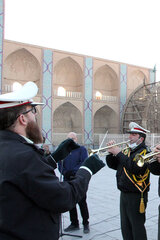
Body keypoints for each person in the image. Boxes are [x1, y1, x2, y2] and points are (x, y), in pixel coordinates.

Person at [0, 82, 105, 239]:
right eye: (32, 111)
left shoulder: (9, 148)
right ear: (22, 119)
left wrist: (54, 158)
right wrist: (87, 170)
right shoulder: (25, 155)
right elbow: (64, 198)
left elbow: (22, 176)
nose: (35, 115)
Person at [106, 122, 151, 240]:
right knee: (125, 226)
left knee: (137, 226)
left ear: (141, 138)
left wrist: (119, 153)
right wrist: (110, 153)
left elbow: (136, 168)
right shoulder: (128, 150)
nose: (129, 137)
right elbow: (114, 165)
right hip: (124, 193)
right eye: (130, 134)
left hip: (136, 195)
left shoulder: (145, 152)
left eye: (133, 135)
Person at [58, 132, 91, 234]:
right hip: (67, 179)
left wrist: (74, 172)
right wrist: (64, 172)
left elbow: (83, 162)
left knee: (82, 202)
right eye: (69, 138)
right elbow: (60, 163)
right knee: (71, 202)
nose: (71, 140)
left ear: (76, 139)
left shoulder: (81, 149)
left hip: (78, 179)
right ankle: (74, 223)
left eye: (73, 138)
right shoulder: (64, 150)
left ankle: (86, 223)